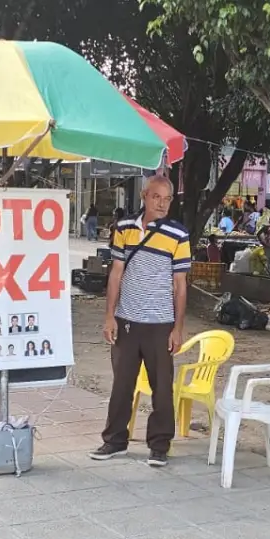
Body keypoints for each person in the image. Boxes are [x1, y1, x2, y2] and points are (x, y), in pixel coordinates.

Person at [91, 175, 190, 468]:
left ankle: (159, 445)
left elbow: (180, 284)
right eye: (156, 197)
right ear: (145, 196)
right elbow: (116, 273)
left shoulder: (178, 234)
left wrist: (178, 328)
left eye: (167, 199)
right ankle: (115, 440)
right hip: (126, 321)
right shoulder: (124, 228)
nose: (162, 203)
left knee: (162, 387)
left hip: (160, 323)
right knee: (122, 384)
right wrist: (110, 316)